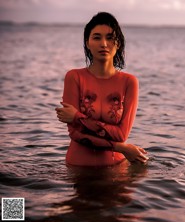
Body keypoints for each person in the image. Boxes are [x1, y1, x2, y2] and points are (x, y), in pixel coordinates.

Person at [55, 12, 148, 167]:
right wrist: (120, 148)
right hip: (78, 168)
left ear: (118, 43)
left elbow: (121, 134)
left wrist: (77, 117)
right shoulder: (74, 77)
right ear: (87, 43)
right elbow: (75, 134)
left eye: (110, 38)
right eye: (97, 37)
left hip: (116, 168)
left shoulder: (129, 82)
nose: (104, 44)